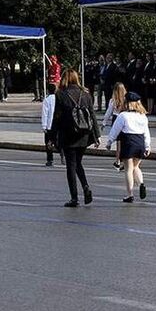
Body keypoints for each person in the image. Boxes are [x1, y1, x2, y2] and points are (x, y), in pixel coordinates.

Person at [49, 69, 98, 207]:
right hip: (84, 134)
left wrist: (52, 137)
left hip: (68, 134)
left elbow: (57, 118)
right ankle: (86, 186)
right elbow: (92, 115)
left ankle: (74, 198)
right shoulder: (86, 94)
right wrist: (96, 135)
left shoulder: (61, 94)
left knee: (71, 166)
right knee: (78, 162)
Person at [107, 92, 150, 203]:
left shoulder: (123, 115)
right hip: (140, 143)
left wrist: (109, 141)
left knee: (128, 170)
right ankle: (141, 183)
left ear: (126, 103)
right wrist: (148, 146)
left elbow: (115, 130)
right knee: (136, 167)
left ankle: (129, 194)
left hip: (128, 142)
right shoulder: (142, 116)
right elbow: (146, 132)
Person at [103, 82, 127, 169]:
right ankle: (125, 161)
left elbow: (108, 112)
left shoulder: (113, 101)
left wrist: (104, 122)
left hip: (116, 118)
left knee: (119, 141)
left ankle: (117, 160)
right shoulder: (126, 100)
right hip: (125, 119)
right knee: (125, 141)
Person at [41, 83, 63, 167]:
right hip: (58, 124)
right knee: (57, 140)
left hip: (49, 125)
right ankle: (61, 150)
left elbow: (45, 113)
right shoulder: (59, 98)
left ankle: (50, 159)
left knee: (48, 143)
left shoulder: (47, 99)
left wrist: (44, 125)